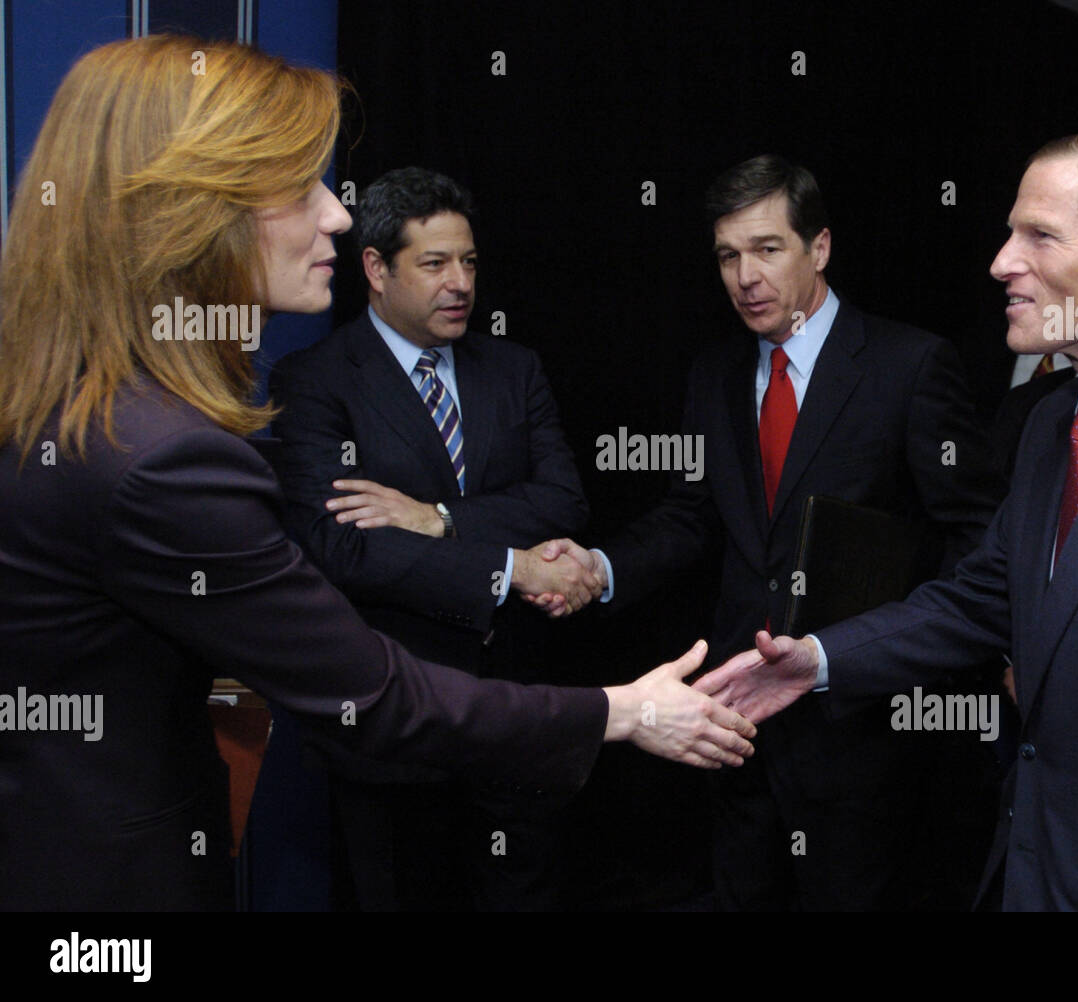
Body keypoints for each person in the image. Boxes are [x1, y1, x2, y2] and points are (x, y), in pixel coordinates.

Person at [0, 34, 754, 912]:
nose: (335, 214)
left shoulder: (75, 406)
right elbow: (372, 689)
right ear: (189, 207)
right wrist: (623, 711)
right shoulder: (166, 455)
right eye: (295, 187)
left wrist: (435, 520)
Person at [697, 126, 1078, 910]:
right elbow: (982, 597)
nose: (1001, 262)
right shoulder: (1053, 428)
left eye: (1040, 236)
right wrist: (814, 659)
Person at [530, 155, 1005, 909]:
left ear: (818, 248)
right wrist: (598, 564)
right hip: (733, 721)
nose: (744, 275)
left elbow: (973, 538)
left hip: (861, 729)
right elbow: (690, 516)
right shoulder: (714, 375)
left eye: (767, 248)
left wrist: (899, 660)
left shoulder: (909, 365)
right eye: (728, 255)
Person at [269, 168, 596, 909]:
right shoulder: (315, 381)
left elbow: (563, 499)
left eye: (470, 263)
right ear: (376, 270)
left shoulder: (514, 368)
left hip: (519, 713)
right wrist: (508, 567)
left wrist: (438, 518)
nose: (460, 284)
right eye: (435, 264)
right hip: (395, 726)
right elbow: (343, 548)